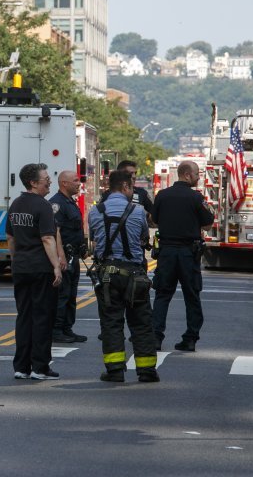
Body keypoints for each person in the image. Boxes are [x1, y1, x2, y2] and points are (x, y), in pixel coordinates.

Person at [88, 170, 158, 383]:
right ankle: (146, 371)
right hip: (135, 275)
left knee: (111, 323)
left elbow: (94, 238)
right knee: (141, 323)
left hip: (108, 275)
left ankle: (115, 370)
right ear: (126, 187)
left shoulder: (95, 211)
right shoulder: (137, 211)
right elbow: (144, 237)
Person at [6, 163, 63, 381]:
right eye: (46, 178)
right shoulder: (43, 206)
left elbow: (10, 238)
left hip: (21, 267)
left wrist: (16, 259)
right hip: (40, 267)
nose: (49, 181)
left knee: (24, 316)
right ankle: (40, 367)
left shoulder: (16, 204)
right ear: (33, 182)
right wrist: (56, 266)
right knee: (42, 317)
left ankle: (21, 366)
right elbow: (48, 238)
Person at [151, 160, 213, 352]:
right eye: (196, 174)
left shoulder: (162, 195)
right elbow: (208, 223)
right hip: (188, 253)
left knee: (162, 295)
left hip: (166, 252)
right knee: (192, 296)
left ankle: (155, 337)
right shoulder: (196, 198)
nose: (198, 177)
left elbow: (154, 220)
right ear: (187, 175)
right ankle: (190, 338)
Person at [49, 171, 88, 344]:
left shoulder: (69, 202)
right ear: (64, 183)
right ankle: (56, 330)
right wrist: (61, 256)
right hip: (64, 256)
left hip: (73, 255)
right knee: (62, 295)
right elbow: (55, 232)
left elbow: (75, 229)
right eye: (75, 181)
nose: (79, 183)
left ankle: (67, 329)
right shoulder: (57, 204)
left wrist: (83, 247)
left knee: (71, 295)